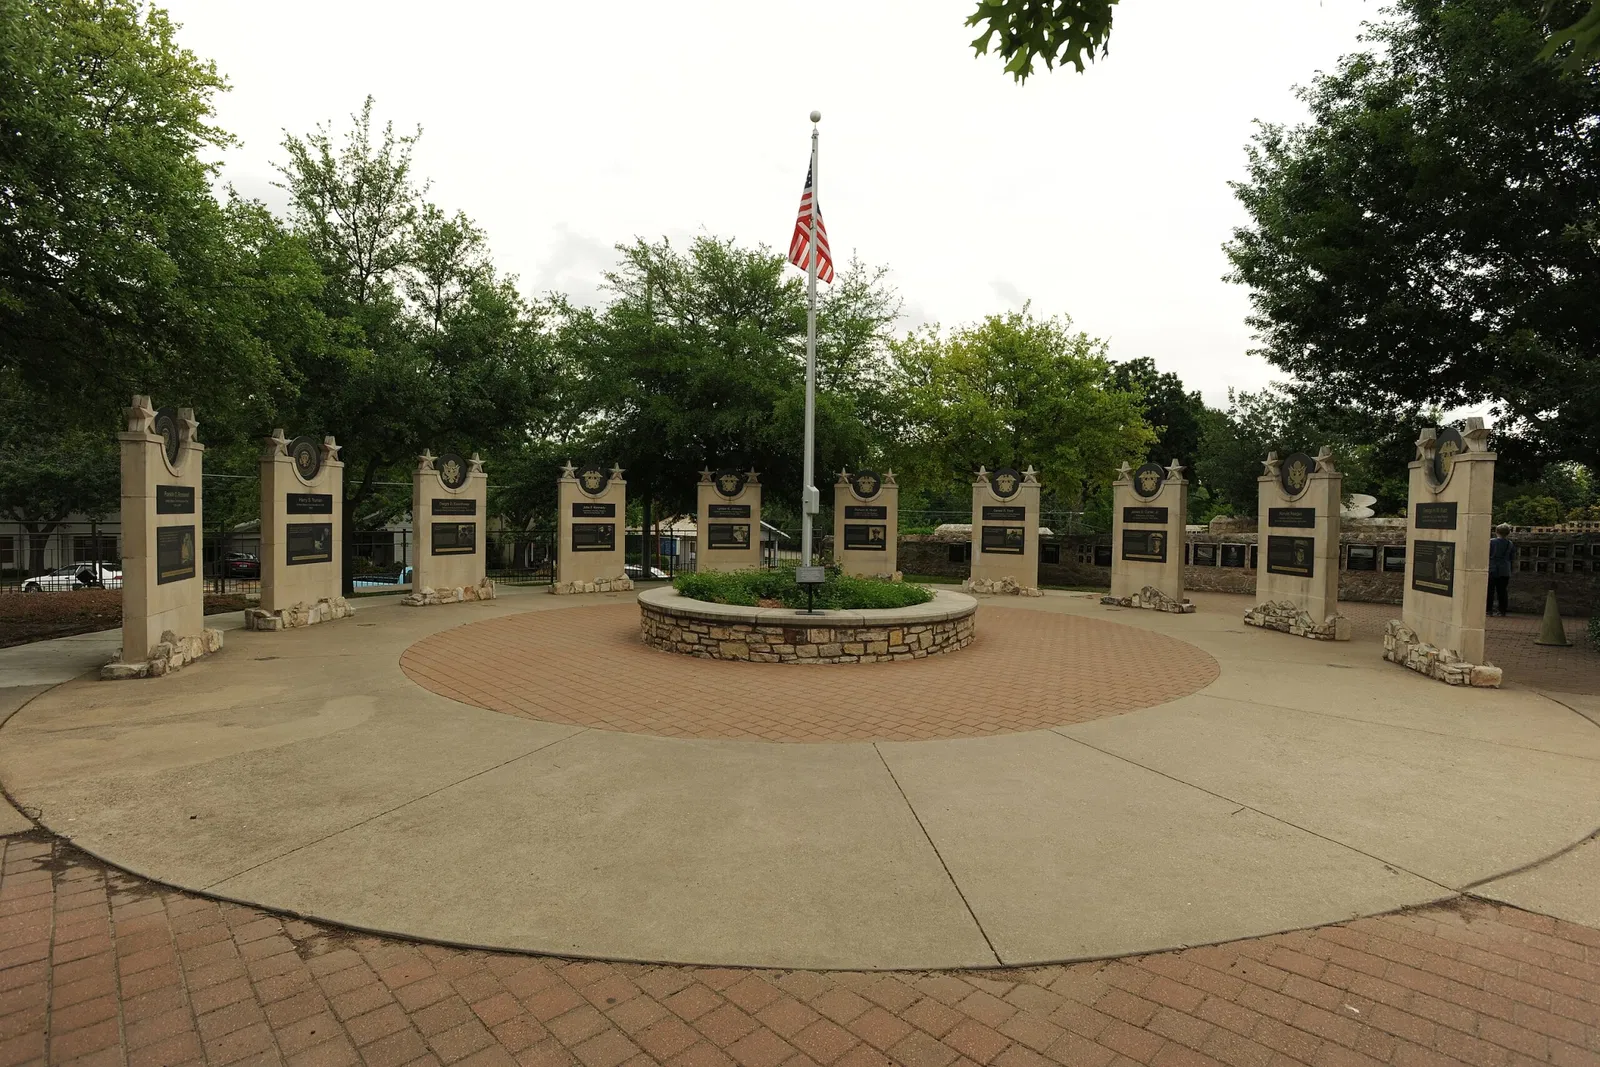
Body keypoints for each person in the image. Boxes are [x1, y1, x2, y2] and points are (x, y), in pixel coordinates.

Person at [1487, 523, 1515, 616]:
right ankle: (1502, 610)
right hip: (1505, 569)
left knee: (1490, 591)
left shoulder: (1491, 542)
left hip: (1492, 568)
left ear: (1496, 532)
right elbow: (1512, 557)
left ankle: (1488, 610)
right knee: (1502, 591)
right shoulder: (1510, 544)